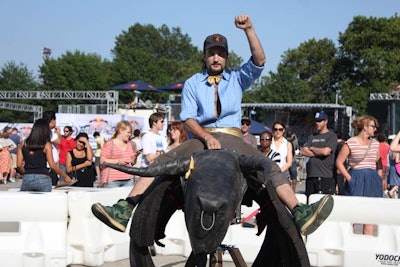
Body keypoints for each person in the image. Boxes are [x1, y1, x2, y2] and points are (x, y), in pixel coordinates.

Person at [92, 14, 333, 236]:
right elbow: (188, 118)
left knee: (268, 165)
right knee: (161, 162)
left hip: (233, 139)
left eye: (220, 53)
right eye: (211, 53)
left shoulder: (238, 78)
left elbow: (260, 60)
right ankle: (124, 209)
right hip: (200, 138)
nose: (216, 57)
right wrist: (206, 138)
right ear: (204, 56)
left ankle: (299, 211)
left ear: (226, 57)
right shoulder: (193, 83)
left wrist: (249, 29)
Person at [336, 115, 382, 235]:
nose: (375, 129)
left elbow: (378, 162)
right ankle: (350, 245)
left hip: (372, 178)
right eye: (373, 126)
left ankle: (368, 248)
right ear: (365, 127)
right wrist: (349, 178)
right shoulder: (350, 143)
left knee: (370, 218)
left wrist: (379, 177)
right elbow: (339, 162)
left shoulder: (376, 143)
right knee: (353, 215)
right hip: (356, 177)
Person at [17, 119, 76, 192]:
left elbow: (19, 165)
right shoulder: (47, 144)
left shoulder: (22, 144)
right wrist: (65, 177)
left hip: (27, 177)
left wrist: (26, 174)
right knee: (46, 202)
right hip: (43, 177)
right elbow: (52, 165)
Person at [300, 111, 338, 197]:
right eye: (316, 121)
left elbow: (326, 151)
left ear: (326, 121)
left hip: (325, 175)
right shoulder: (312, 136)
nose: (317, 123)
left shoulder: (331, 136)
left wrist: (312, 148)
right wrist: (319, 153)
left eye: (320, 121)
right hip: (311, 175)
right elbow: (303, 151)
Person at [100, 120, 139, 188]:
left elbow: (132, 163)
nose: (130, 135)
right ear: (120, 130)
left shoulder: (130, 144)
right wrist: (118, 161)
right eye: (128, 132)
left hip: (128, 178)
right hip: (112, 180)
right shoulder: (109, 144)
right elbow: (102, 161)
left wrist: (135, 157)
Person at [43, 111, 62, 186]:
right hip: (50, 166)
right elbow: (59, 142)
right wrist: (59, 133)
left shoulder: (43, 131)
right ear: (53, 120)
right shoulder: (49, 132)